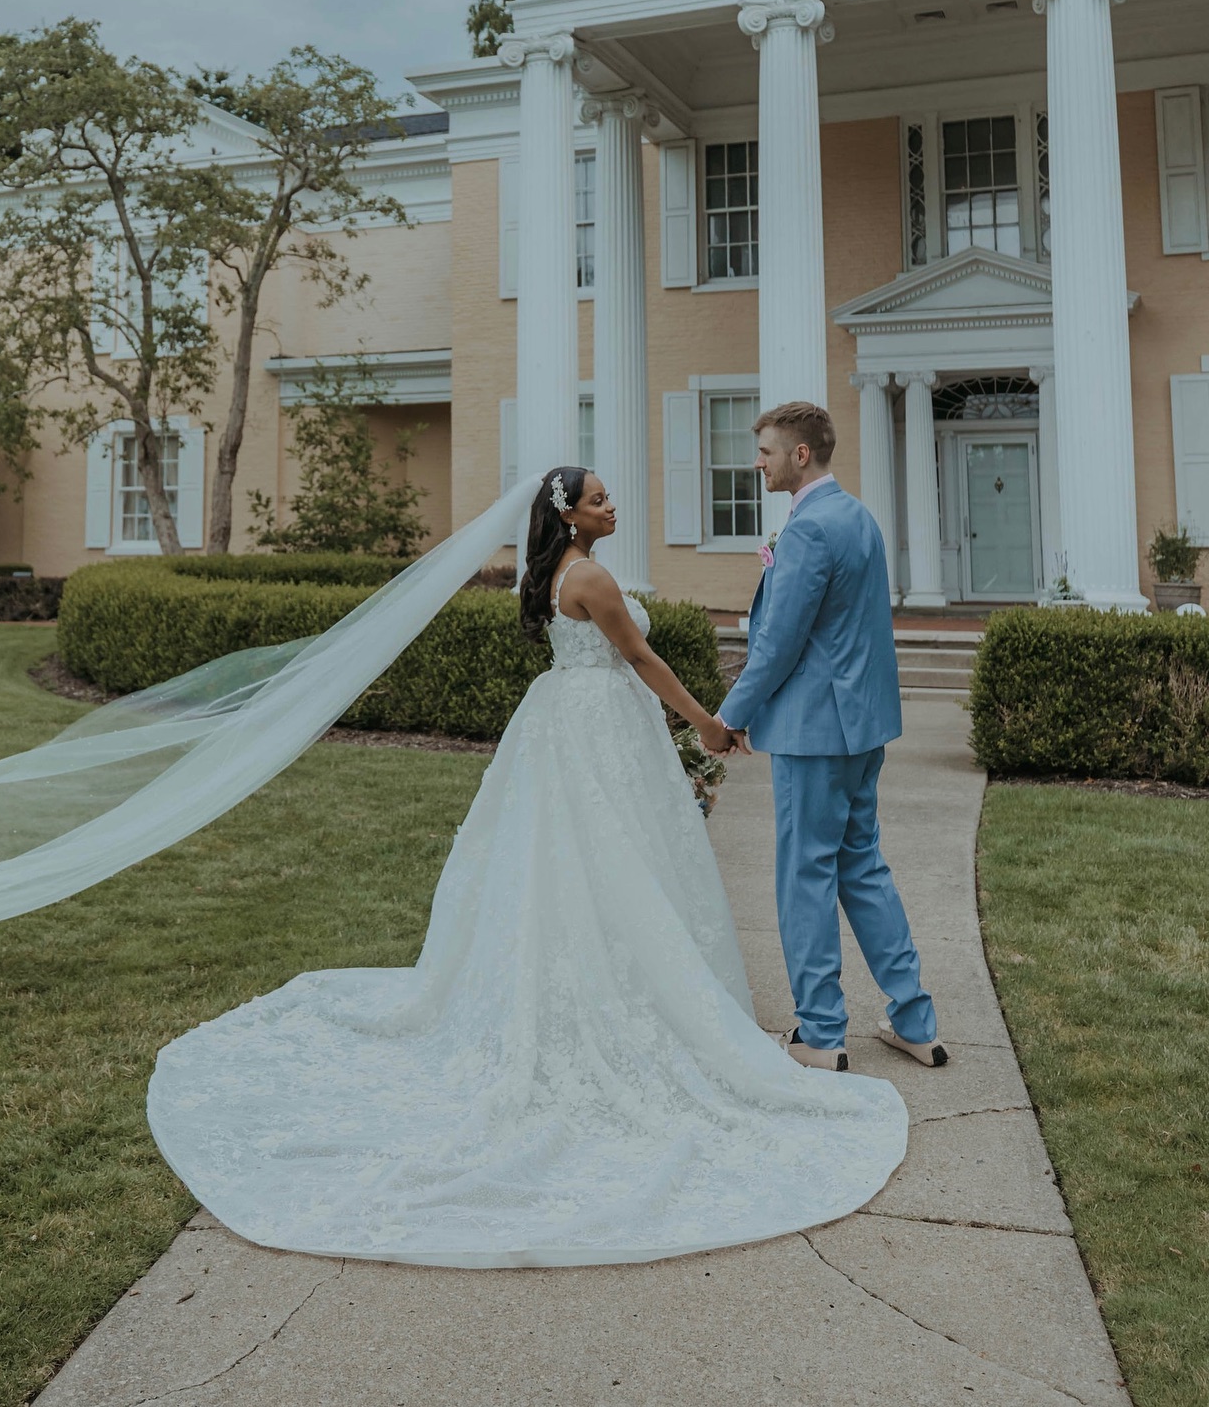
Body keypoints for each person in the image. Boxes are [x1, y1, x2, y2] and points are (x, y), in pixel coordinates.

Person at [144, 466, 908, 1267]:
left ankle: (589, 979)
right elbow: (643, 660)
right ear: (569, 514)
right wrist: (709, 725)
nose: (613, 506)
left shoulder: (551, 574)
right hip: (604, 723)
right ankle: (622, 998)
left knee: (571, 864)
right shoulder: (593, 578)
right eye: (600, 499)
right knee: (612, 860)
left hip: (565, 719)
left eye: (611, 495)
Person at [717, 402, 946, 1075]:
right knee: (860, 864)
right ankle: (915, 1021)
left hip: (816, 730)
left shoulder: (812, 528)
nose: (756, 461)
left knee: (805, 875)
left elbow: (778, 645)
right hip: (861, 726)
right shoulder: (854, 517)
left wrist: (729, 716)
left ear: (801, 455)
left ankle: (820, 1032)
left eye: (764, 450)